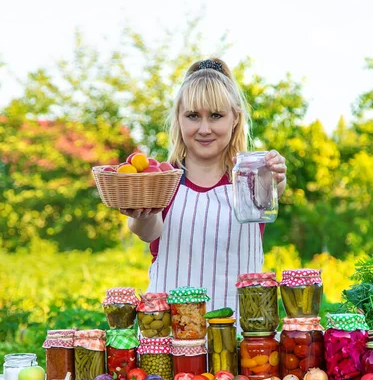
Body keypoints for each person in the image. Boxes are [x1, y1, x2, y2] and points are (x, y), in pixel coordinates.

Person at [120, 58, 287, 314]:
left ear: (235, 119)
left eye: (216, 116)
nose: (204, 128)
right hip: (169, 338)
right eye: (193, 116)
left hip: (244, 336)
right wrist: (142, 211)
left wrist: (276, 177)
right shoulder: (164, 177)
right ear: (179, 119)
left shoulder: (252, 176)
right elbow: (147, 232)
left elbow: (271, 191)